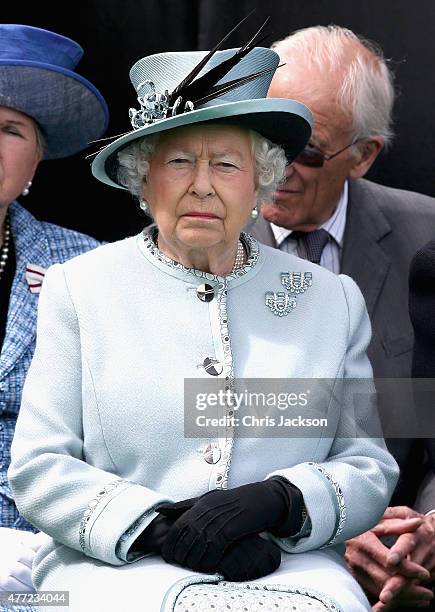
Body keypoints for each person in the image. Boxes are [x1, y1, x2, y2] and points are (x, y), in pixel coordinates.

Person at [8, 23, 398, 612]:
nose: (202, 187)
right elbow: (39, 467)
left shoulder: (330, 300)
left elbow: (366, 465)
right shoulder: (81, 288)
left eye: (226, 164)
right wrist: (155, 526)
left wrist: (283, 500)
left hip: (290, 567)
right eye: (180, 161)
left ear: (261, 180)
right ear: (144, 178)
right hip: (117, 569)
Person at [245, 25, 435, 609]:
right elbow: (180, 426)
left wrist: (423, 531)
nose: (273, 167)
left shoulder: (428, 239)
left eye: (303, 150)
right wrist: (330, 525)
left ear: (364, 155)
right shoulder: (192, 238)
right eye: (263, 135)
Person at [0, 23, 108, 596]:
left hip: (47, 553)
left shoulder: (86, 264)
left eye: (10, 130)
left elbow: (115, 432)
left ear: (35, 162)